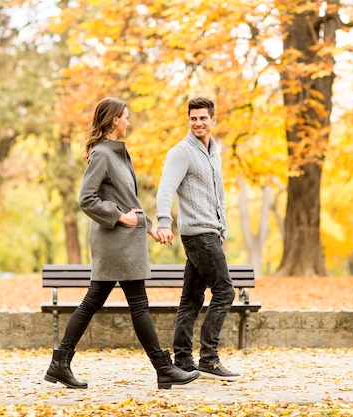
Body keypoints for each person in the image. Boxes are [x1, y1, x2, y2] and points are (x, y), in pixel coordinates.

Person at [44, 97, 199, 390]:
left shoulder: (117, 153)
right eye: (126, 117)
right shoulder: (103, 154)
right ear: (115, 120)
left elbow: (130, 204)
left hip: (123, 240)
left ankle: (60, 362)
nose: (129, 122)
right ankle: (163, 367)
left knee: (95, 302)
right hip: (115, 241)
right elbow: (86, 199)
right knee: (137, 304)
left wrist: (149, 227)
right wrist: (120, 218)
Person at [155, 97, 241, 381]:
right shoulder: (181, 153)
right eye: (193, 118)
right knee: (225, 291)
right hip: (197, 233)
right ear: (188, 121)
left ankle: (182, 360)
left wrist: (223, 228)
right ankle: (209, 358)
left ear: (212, 120)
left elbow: (219, 194)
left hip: (210, 233)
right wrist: (164, 221)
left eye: (203, 118)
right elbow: (165, 189)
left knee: (191, 299)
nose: (198, 123)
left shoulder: (214, 152)